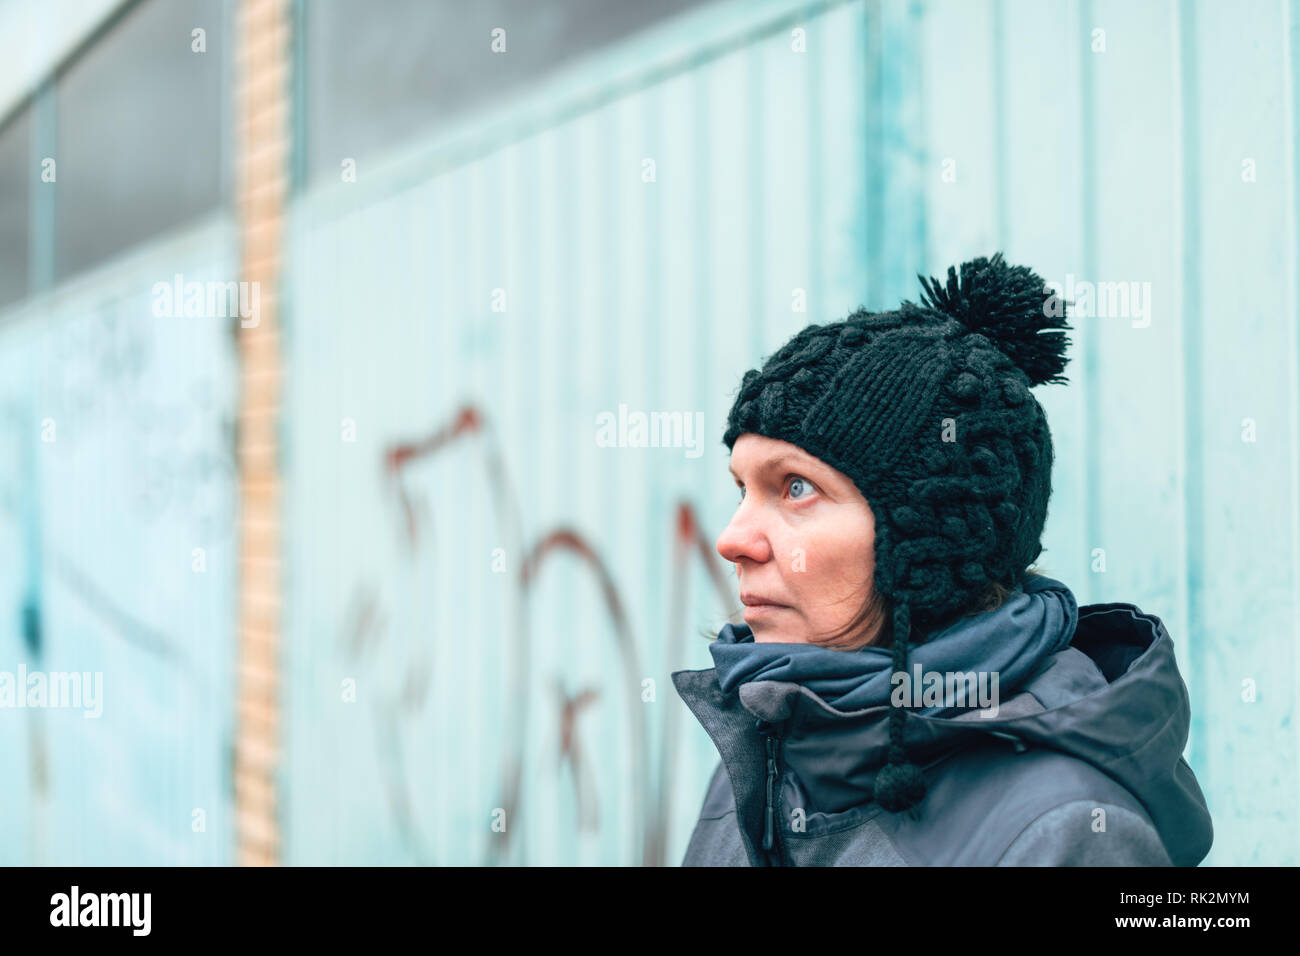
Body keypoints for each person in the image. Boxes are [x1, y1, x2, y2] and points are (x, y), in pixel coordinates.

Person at [671, 253, 1213, 866]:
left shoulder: (1064, 834)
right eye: (742, 489)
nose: (732, 539)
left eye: (796, 487)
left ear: (927, 543)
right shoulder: (765, 748)